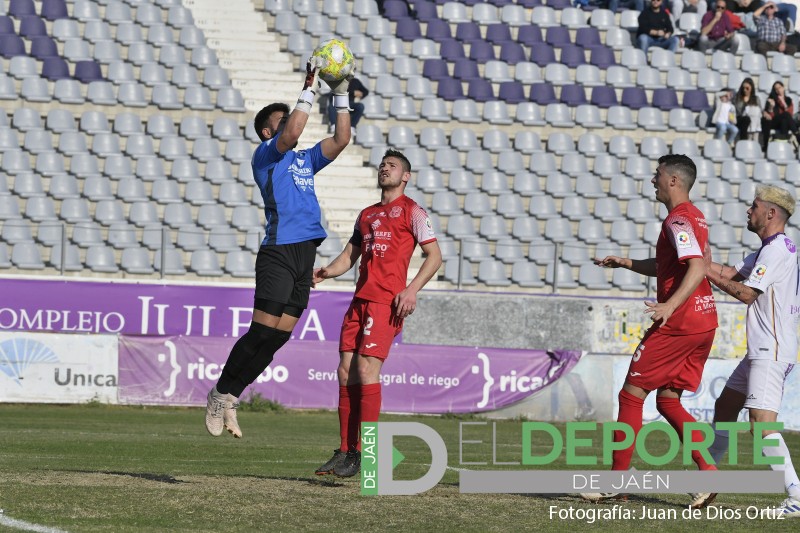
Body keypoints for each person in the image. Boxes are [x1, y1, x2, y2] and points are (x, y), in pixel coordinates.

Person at [204, 57, 353, 439]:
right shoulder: (268, 155)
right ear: (268, 130)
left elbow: (341, 140)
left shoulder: (303, 158)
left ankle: (232, 397)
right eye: (282, 119)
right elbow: (289, 134)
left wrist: (340, 94)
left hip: (305, 254)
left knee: (278, 338)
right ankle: (219, 393)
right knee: (260, 331)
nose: (289, 123)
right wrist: (309, 87)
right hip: (279, 251)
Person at [581, 154, 719, 508]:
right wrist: (627, 262)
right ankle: (708, 472)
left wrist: (670, 306)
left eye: (657, 175)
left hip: (681, 323)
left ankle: (615, 483)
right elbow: (672, 266)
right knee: (668, 400)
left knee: (631, 396)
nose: (652, 180)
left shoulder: (678, 218)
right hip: (704, 321)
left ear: (673, 180)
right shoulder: (696, 216)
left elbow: (698, 265)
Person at [313, 149, 443, 477]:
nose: (385, 169)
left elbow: (434, 256)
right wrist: (327, 271)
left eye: (392, 166)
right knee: (345, 372)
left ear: (406, 176)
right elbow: (348, 256)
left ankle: (368, 454)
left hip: (385, 303)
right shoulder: (367, 214)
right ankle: (345, 450)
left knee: (367, 372)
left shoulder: (412, 211)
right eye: (383, 165)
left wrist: (411, 290)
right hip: (359, 301)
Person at [704, 185, 800, 519]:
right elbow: (729, 274)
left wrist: (701, 270)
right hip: (762, 348)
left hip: (770, 350)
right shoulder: (769, 249)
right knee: (726, 404)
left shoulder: (776, 252)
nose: (749, 210)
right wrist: (699, 262)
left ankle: (796, 495)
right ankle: (707, 476)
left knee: (760, 425)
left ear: (771, 213)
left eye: (754, 205)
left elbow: (745, 294)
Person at [762, 80, 799, 150]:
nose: (778, 90)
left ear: (783, 88)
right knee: (785, 115)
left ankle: (783, 145)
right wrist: (771, 107)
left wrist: (783, 102)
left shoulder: (788, 100)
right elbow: (770, 117)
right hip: (774, 122)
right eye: (776, 89)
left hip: (785, 122)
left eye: (780, 87)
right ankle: (797, 135)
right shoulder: (771, 100)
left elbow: (790, 115)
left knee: (785, 120)